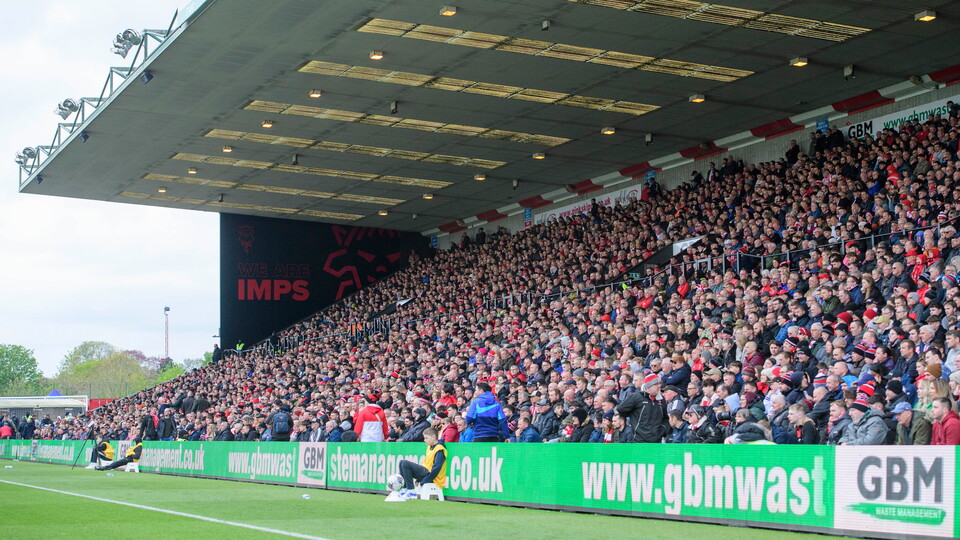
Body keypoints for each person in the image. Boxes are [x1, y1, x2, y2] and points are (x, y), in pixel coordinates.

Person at [397, 428, 447, 501]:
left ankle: (411, 491)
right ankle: (405, 489)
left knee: (405, 463)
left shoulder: (439, 449)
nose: (424, 440)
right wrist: (418, 479)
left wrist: (424, 481)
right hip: (426, 472)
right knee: (401, 462)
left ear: (433, 437)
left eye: (426, 438)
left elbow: (436, 469)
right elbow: (426, 464)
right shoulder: (429, 447)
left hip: (433, 477)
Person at [615, 373, 666, 443]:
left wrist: (663, 430)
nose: (659, 386)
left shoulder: (661, 399)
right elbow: (620, 409)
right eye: (656, 384)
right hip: (639, 440)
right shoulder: (637, 397)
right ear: (648, 387)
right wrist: (633, 419)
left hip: (656, 441)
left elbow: (665, 418)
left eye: (659, 384)